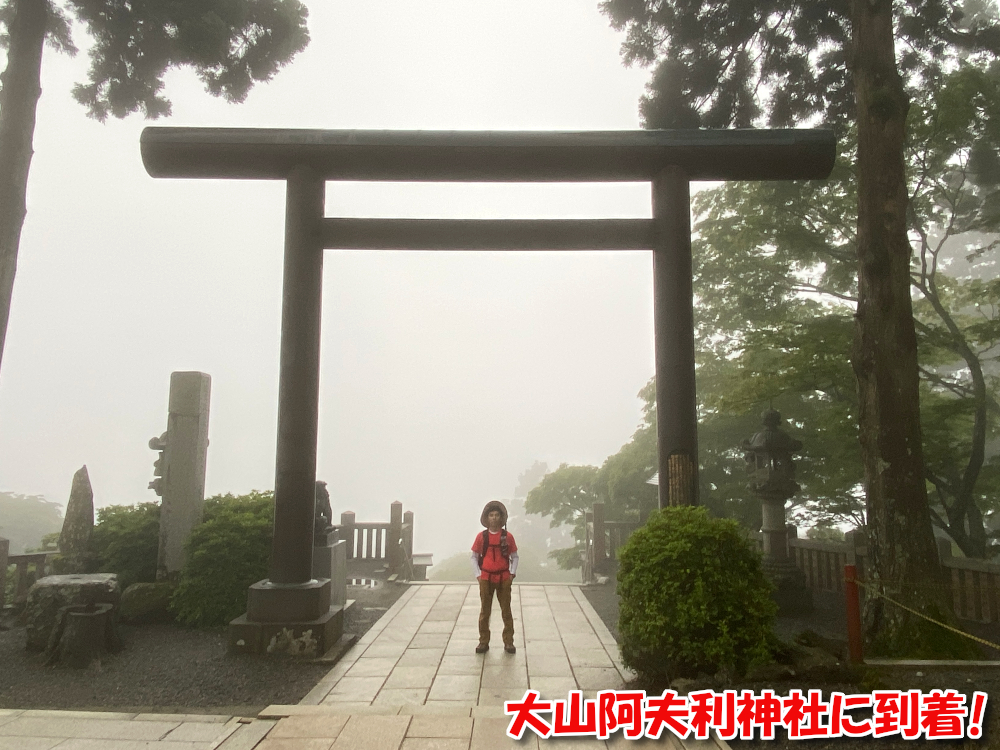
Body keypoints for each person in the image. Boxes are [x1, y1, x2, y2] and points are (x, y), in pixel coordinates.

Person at [470, 500, 519, 654]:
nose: (494, 518)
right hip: (486, 577)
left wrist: (512, 574)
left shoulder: (508, 537)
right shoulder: (481, 537)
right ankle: (483, 641)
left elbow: (515, 556)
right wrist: (478, 575)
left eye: (497, 515)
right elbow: (474, 556)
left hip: (504, 577)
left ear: (501, 517)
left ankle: (509, 642)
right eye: (491, 515)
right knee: (485, 611)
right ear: (487, 518)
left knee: (506, 610)